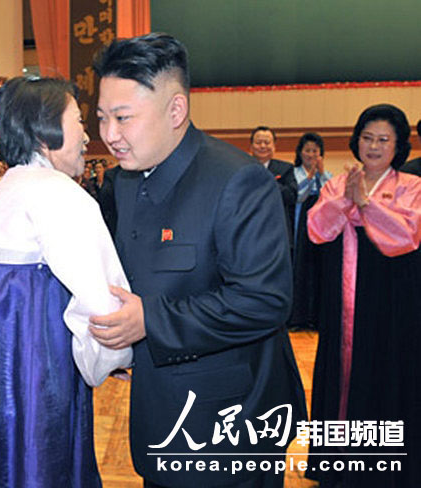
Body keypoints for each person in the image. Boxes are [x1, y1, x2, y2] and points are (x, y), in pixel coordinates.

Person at [90, 33, 307, 488]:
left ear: (176, 111)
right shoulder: (125, 182)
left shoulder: (238, 181)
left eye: (123, 118)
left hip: (230, 422)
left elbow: (264, 302)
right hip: (161, 414)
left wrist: (149, 319)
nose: (109, 135)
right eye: (102, 118)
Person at [0, 76, 132, 488]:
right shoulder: (62, 195)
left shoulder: (0, 194)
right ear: (44, 130)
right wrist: (115, 356)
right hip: (35, 373)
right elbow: (104, 305)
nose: (87, 136)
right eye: (78, 121)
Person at [306, 104, 421, 487]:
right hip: (342, 306)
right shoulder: (338, 184)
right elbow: (317, 229)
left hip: (389, 308)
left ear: (398, 146)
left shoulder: (411, 186)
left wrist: (366, 204)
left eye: (383, 140)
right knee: (339, 375)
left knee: (383, 376)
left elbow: (405, 238)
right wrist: (346, 200)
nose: (373, 146)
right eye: (367, 138)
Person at [289, 132, 332, 330]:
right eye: (307, 150)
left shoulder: (328, 176)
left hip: (322, 230)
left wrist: (321, 175)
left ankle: (317, 318)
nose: (311, 154)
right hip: (300, 228)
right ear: (300, 152)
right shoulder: (294, 173)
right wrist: (310, 176)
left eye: (315, 151)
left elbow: (330, 199)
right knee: (300, 270)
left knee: (320, 271)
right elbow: (298, 196)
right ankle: (298, 318)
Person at [250, 126, 297, 245]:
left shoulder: (285, 169)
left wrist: (268, 181)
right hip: (250, 230)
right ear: (251, 146)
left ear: (274, 146)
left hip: (277, 232)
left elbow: (291, 196)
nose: (262, 146)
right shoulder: (241, 168)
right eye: (258, 142)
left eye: (267, 142)